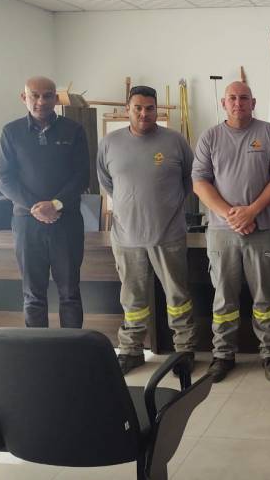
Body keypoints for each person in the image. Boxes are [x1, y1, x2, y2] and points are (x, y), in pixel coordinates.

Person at [97, 85, 197, 375]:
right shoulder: (109, 144)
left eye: (150, 108)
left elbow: (190, 180)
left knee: (177, 297)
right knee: (132, 298)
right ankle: (131, 349)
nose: (144, 113)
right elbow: (107, 183)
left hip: (169, 235)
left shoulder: (175, 141)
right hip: (127, 237)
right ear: (127, 109)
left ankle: (184, 350)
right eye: (138, 107)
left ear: (157, 110)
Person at [192, 81, 270, 382]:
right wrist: (230, 215)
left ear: (253, 101)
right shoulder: (210, 137)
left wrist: (252, 211)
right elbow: (200, 183)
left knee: (265, 296)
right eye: (232, 98)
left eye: (244, 98)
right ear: (224, 103)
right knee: (224, 297)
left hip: (262, 230)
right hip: (222, 232)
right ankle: (223, 355)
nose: (238, 103)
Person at [0, 76, 89, 328]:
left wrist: (56, 204)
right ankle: (38, 356)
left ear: (56, 99)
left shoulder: (74, 130)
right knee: (33, 296)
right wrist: (37, 207)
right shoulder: (11, 132)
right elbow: (5, 180)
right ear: (23, 97)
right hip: (27, 223)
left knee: (70, 293)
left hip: (66, 222)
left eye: (47, 95)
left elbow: (82, 177)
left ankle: (71, 353)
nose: (41, 101)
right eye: (34, 95)